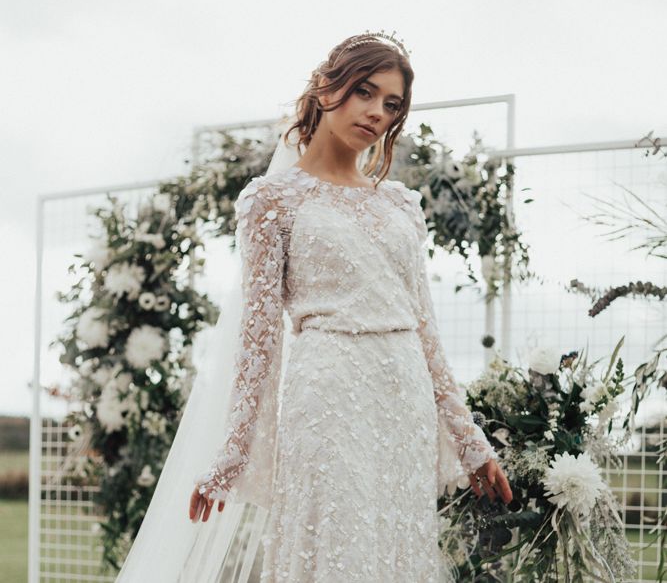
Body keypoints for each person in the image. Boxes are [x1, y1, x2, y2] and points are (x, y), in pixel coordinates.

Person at [117, 31, 512, 583]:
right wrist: (230, 457)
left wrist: (470, 442)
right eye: (365, 92)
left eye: (391, 104)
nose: (376, 112)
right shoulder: (271, 200)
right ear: (328, 88)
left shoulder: (401, 205)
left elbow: (425, 329)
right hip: (327, 397)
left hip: (404, 406)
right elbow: (257, 340)